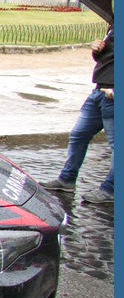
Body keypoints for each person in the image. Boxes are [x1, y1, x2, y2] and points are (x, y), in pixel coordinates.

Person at [40, 27, 114, 204]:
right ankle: (67, 179)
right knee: (78, 136)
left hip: (114, 94)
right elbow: (108, 60)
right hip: (99, 92)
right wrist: (98, 50)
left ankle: (110, 190)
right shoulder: (114, 26)